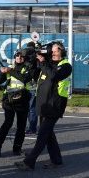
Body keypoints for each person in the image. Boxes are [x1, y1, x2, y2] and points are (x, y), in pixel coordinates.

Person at [15, 41, 71, 171]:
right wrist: (35, 62)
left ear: (60, 51)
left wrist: (44, 62)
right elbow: (36, 77)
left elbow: (53, 76)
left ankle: (29, 162)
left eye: (54, 49)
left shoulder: (66, 66)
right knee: (48, 134)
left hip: (54, 106)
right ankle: (57, 160)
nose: (51, 51)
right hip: (44, 105)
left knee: (42, 134)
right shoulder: (49, 64)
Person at [0, 48, 34, 158]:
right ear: (15, 57)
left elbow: (24, 78)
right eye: (17, 56)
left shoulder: (27, 68)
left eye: (21, 56)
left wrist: (10, 71)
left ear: (24, 58)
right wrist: (2, 72)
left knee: (21, 126)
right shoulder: (10, 68)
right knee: (7, 123)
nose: (19, 58)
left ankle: (17, 148)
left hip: (22, 100)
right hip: (9, 100)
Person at [25, 42, 39, 135]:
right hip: (28, 85)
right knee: (29, 107)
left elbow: (33, 69)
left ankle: (33, 128)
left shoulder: (35, 57)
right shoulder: (32, 57)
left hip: (33, 85)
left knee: (32, 107)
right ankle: (32, 126)